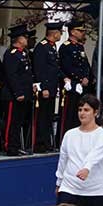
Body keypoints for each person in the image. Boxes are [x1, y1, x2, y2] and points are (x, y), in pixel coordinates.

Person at [2, 25, 34, 155]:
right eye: (25, 37)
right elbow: (12, 75)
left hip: (24, 93)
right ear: (19, 39)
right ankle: (9, 146)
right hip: (13, 95)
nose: (27, 39)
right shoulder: (11, 54)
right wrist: (18, 92)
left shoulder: (23, 53)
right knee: (12, 121)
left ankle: (16, 145)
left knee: (19, 121)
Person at [32, 22, 63, 152]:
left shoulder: (52, 47)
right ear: (55, 33)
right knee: (43, 116)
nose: (60, 34)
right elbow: (39, 69)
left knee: (49, 116)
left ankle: (47, 142)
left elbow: (54, 68)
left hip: (51, 87)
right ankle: (40, 143)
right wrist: (43, 87)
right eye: (60, 32)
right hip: (45, 88)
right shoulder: (42, 47)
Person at [59, 20, 92, 135]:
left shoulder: (79, 47)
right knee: (70, 113)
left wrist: (87, 77)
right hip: (72, 85)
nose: (82, 33)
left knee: (80, 113)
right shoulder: (65, 47)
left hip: (82, 85)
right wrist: (79, 78)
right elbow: (67, 67)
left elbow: (85, 64)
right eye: (80, 31)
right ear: (72, 32)